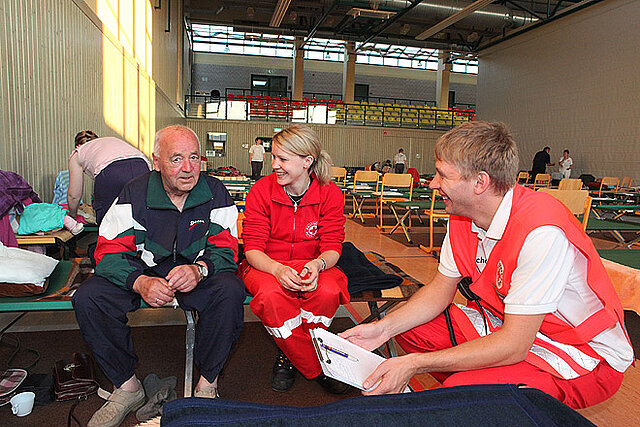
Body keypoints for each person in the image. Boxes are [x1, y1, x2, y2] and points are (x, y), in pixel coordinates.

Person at [341, 121, 632, 409]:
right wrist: (383, 329)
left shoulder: (541, 232)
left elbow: (515, 345)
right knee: (408, 328)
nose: (433, 183)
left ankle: (485, 399)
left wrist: (416, 364)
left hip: (585, 356)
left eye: (443, 176)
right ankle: (483, 395)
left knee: (462, 394)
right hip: (515, 328)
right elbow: (440, 290)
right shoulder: (462, 216)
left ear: (480, 182)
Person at [73, 125, 245, 427]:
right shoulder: (134, 192)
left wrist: (200, 269)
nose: (189, 168)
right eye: (176, 159)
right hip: (144, 271)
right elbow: (108, 250)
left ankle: (206, 386)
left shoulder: (215, 192)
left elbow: (226, 249)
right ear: (156, 162)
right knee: (89, 297)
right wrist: (139, 281)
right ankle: (127, 388)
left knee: (230, 290)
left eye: (194, 158)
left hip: (194, 274)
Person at [240, 124, 350, 394]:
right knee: (271, 296)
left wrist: (317, 265)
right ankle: (317, 365)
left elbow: (333, 246)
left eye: (283, 159)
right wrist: (277, 270)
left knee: (328, 291)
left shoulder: (330, 194)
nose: (274, 164)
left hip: (313, 264)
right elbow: (252, 248)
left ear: (307, 162)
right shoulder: (261, 191)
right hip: (266, 264)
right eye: (273, 157)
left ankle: (290, 354)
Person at [67, 130, 151, 225]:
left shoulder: (78, 153)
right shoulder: (109, 141)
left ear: (77, 146)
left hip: (112, 172)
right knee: (142, 217)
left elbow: (73, 196)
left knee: (108, 223)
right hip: (142, 166)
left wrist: (72, 217)